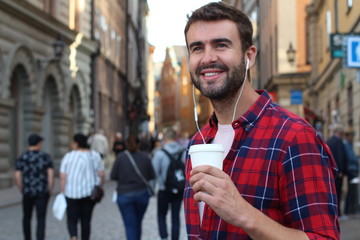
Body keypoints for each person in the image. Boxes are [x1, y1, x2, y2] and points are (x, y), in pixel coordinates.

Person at [183, 2, 339, 239]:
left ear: (249, 56)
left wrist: (243, 214)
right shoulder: (197, 143)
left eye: (221, 45)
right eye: (197, 48)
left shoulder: (293, 138)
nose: (208, 58)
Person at [60, 133, 105, 240]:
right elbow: (102, 174)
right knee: (86, 220)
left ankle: (74, 236)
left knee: (72, 219)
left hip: (71, 193)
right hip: (89, 193)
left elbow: (63, 176)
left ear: (75, 143)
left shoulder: (68, 156)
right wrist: (99, 186)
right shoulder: (95, 155)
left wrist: (62, 191)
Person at [110, 135, 155, 240]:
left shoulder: (120, 157)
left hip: (124, 195)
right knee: (137, 222)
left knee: (130, 225)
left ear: (126, 144)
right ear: (139, 144)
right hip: (142, 194)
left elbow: (113, 176)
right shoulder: (145, 157)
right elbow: (152, 175)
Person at [14, 133, 54, 240]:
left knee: (27, 217)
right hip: (42, 192)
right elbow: (50, 174)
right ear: (39, 143)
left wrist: (21, 188)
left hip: (27, 191)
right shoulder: (45, 157)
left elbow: (17, 176)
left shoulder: (23, 157)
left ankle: (27, 238)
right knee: (41, 218)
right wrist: (50, 188)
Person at [152, 128, 185, 240]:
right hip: (179, 188)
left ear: (165, 138)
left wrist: (153, 188)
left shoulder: (159, 154)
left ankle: (164, 237)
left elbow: (154, 173)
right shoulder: (184, 152)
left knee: (161, 215)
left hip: (164, 189)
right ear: (176, 138)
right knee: (175, 217)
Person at [327, 124, 348, 217]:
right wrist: (340, 171)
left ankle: (333, 212)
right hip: (337, 172)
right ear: (339, 133)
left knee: (332, 192)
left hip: (330, 171)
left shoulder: (329, 141)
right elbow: (340, 156)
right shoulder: (339, 141)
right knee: (338, 192)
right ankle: (338, 213)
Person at [343, 128, 359, 215]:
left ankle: (351, 209)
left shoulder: (348, 144)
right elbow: (350, 157)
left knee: (352, 190)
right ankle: (349, 209)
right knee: (351, 190)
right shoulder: (347, 144)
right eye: (351, 136)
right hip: (351, 170)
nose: (352, 137)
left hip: (352, 169)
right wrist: (356, 159)